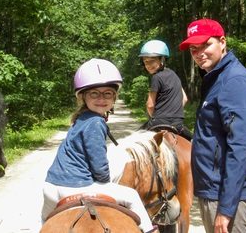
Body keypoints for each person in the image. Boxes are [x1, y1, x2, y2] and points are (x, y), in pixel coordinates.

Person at [41, 58, 158, 233]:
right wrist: (103, 179)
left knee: (44, 222)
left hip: (51, 188)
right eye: (94, 93)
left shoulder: (81, 118)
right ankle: (152, 231)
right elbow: (100, 168)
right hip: (75, 186)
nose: (101, 99)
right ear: (83, 96)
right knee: (132, 195)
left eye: (107, 93)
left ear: (114, 97)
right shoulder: (96, 122)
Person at [179, 18, 246, 233]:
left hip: (225, 193)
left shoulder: (234, 82)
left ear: (222, 42)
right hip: (213, 189)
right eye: (193, 49)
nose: (199, 53)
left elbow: (241, 148)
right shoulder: (216, 78)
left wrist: (225, 209)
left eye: (206, 45)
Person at [138, 39, 192, 140]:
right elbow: (184, 98)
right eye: (146, 62)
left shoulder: (156, 77)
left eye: (152, 61)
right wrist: (174, 112)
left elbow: (150, 105)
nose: (148, 65)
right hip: (178, 124)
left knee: (135, 143)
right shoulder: (174, 75)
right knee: (193, 142)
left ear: (162, 60)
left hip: (159, 122)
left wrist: (155, 119)